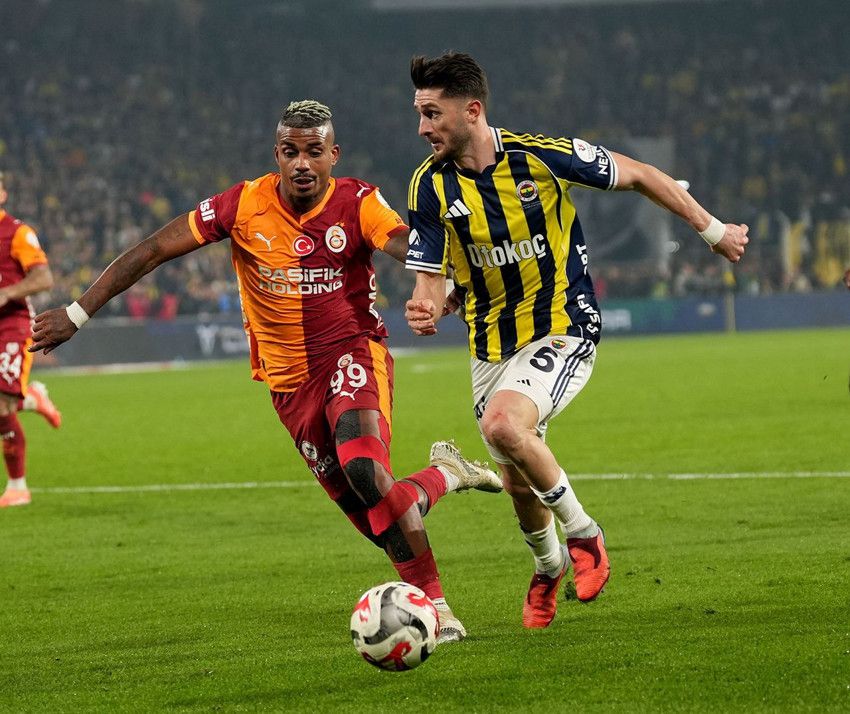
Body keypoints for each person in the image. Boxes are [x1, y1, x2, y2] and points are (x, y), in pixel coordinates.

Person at [29, 100, 502, 643]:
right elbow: (156, 248)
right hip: (288, 384)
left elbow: (405, 245)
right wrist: (77, 313)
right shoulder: (242, 204)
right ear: (276, 154)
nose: (302, 163)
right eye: (290, 151)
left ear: (333, 155)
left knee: (366, 470)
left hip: (351, 353)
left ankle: (437, 608)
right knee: (377, 518)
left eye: (314, 152)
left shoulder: (358, 201)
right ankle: (445, 474)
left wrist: (446, 286)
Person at [403, 53, 749, 629]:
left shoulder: (538, 157)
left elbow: (641, 174)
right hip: (489, 344)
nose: (422, 128)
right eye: (419, 114)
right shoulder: (428, 185)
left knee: (502, 426)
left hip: (562, 325)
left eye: (432, 113)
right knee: (517, 483)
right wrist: (427, 306)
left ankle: (586, 535)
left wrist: (713, 231)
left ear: (472, 110)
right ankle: (548, 566)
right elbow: (429, 283)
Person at [0, 171, 63, 508]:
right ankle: (32, 398)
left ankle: (18, 487)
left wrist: (7, 293)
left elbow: (43, 277)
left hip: (11, 324)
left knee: (2, 405)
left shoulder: (17, 233)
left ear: (3, 195)